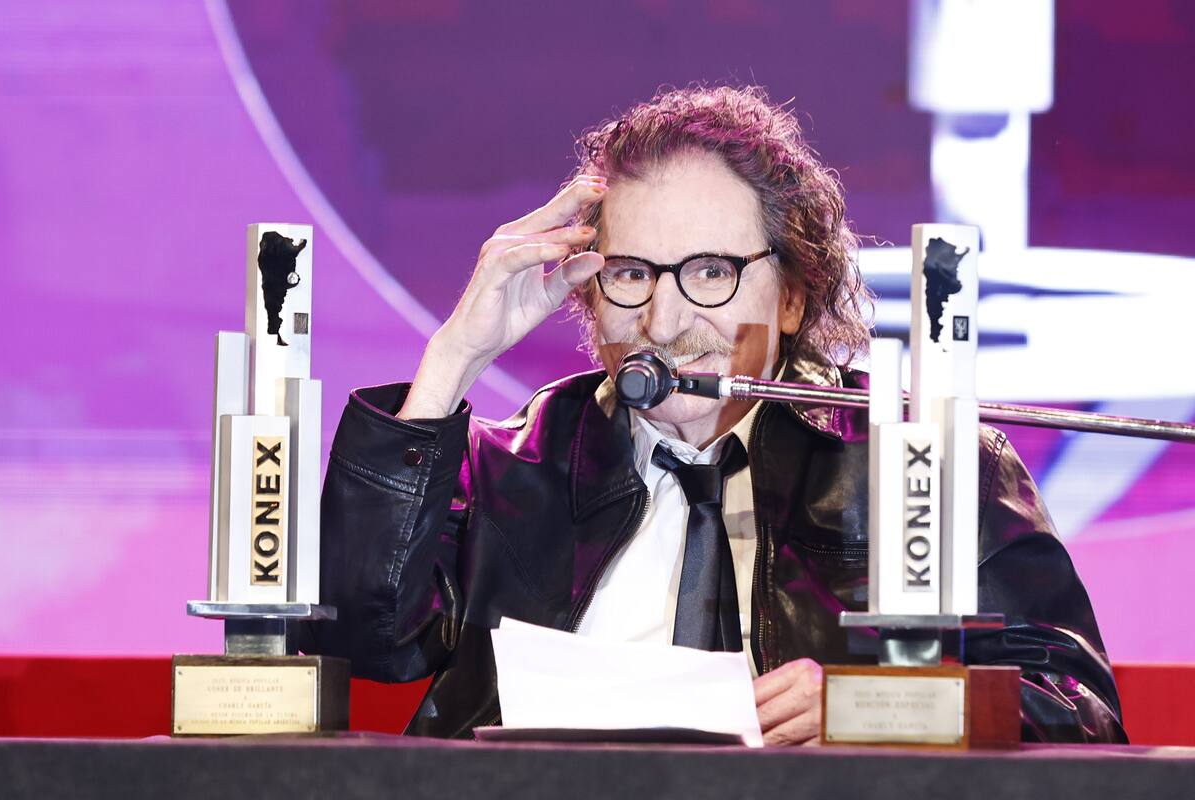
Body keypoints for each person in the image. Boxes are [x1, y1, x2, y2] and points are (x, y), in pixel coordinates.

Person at [304, 86, 1126, 745]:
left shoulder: (924, 460)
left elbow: (1077, 708)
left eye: (710, 272)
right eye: (631, 273)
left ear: (796, 291)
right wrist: (453, 360)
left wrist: (866, 706)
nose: (662, 322)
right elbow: (365, 638)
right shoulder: (518, 461)